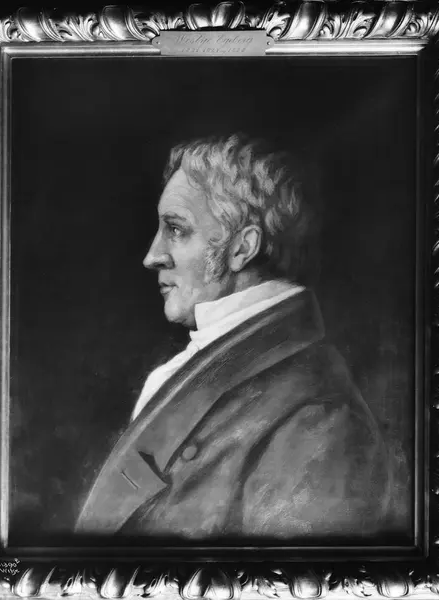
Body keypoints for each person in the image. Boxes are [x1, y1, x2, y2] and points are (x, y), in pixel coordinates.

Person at [75, 134, 392, 541]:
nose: (152, 256)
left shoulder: (322, 420)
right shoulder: (214, 367)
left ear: (242, 248)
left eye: (176, 229)